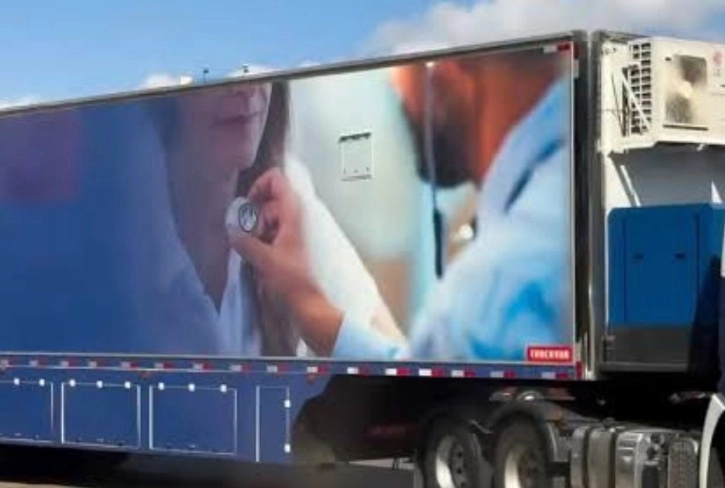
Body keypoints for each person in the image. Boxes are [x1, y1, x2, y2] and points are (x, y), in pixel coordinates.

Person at [229, 48, 573, 361]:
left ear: (447, 65)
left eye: (402, 70)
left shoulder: (488, 300)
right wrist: (312, 309)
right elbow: (417, 367)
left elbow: (424, 379)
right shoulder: (561, 185)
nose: (395, 86)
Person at [143, 80, 402, 356]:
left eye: (259, 62)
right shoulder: (132, 229)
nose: (247, 87)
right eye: (217, 67)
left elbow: (397, 356)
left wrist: (307, 303)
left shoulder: (284, 195)